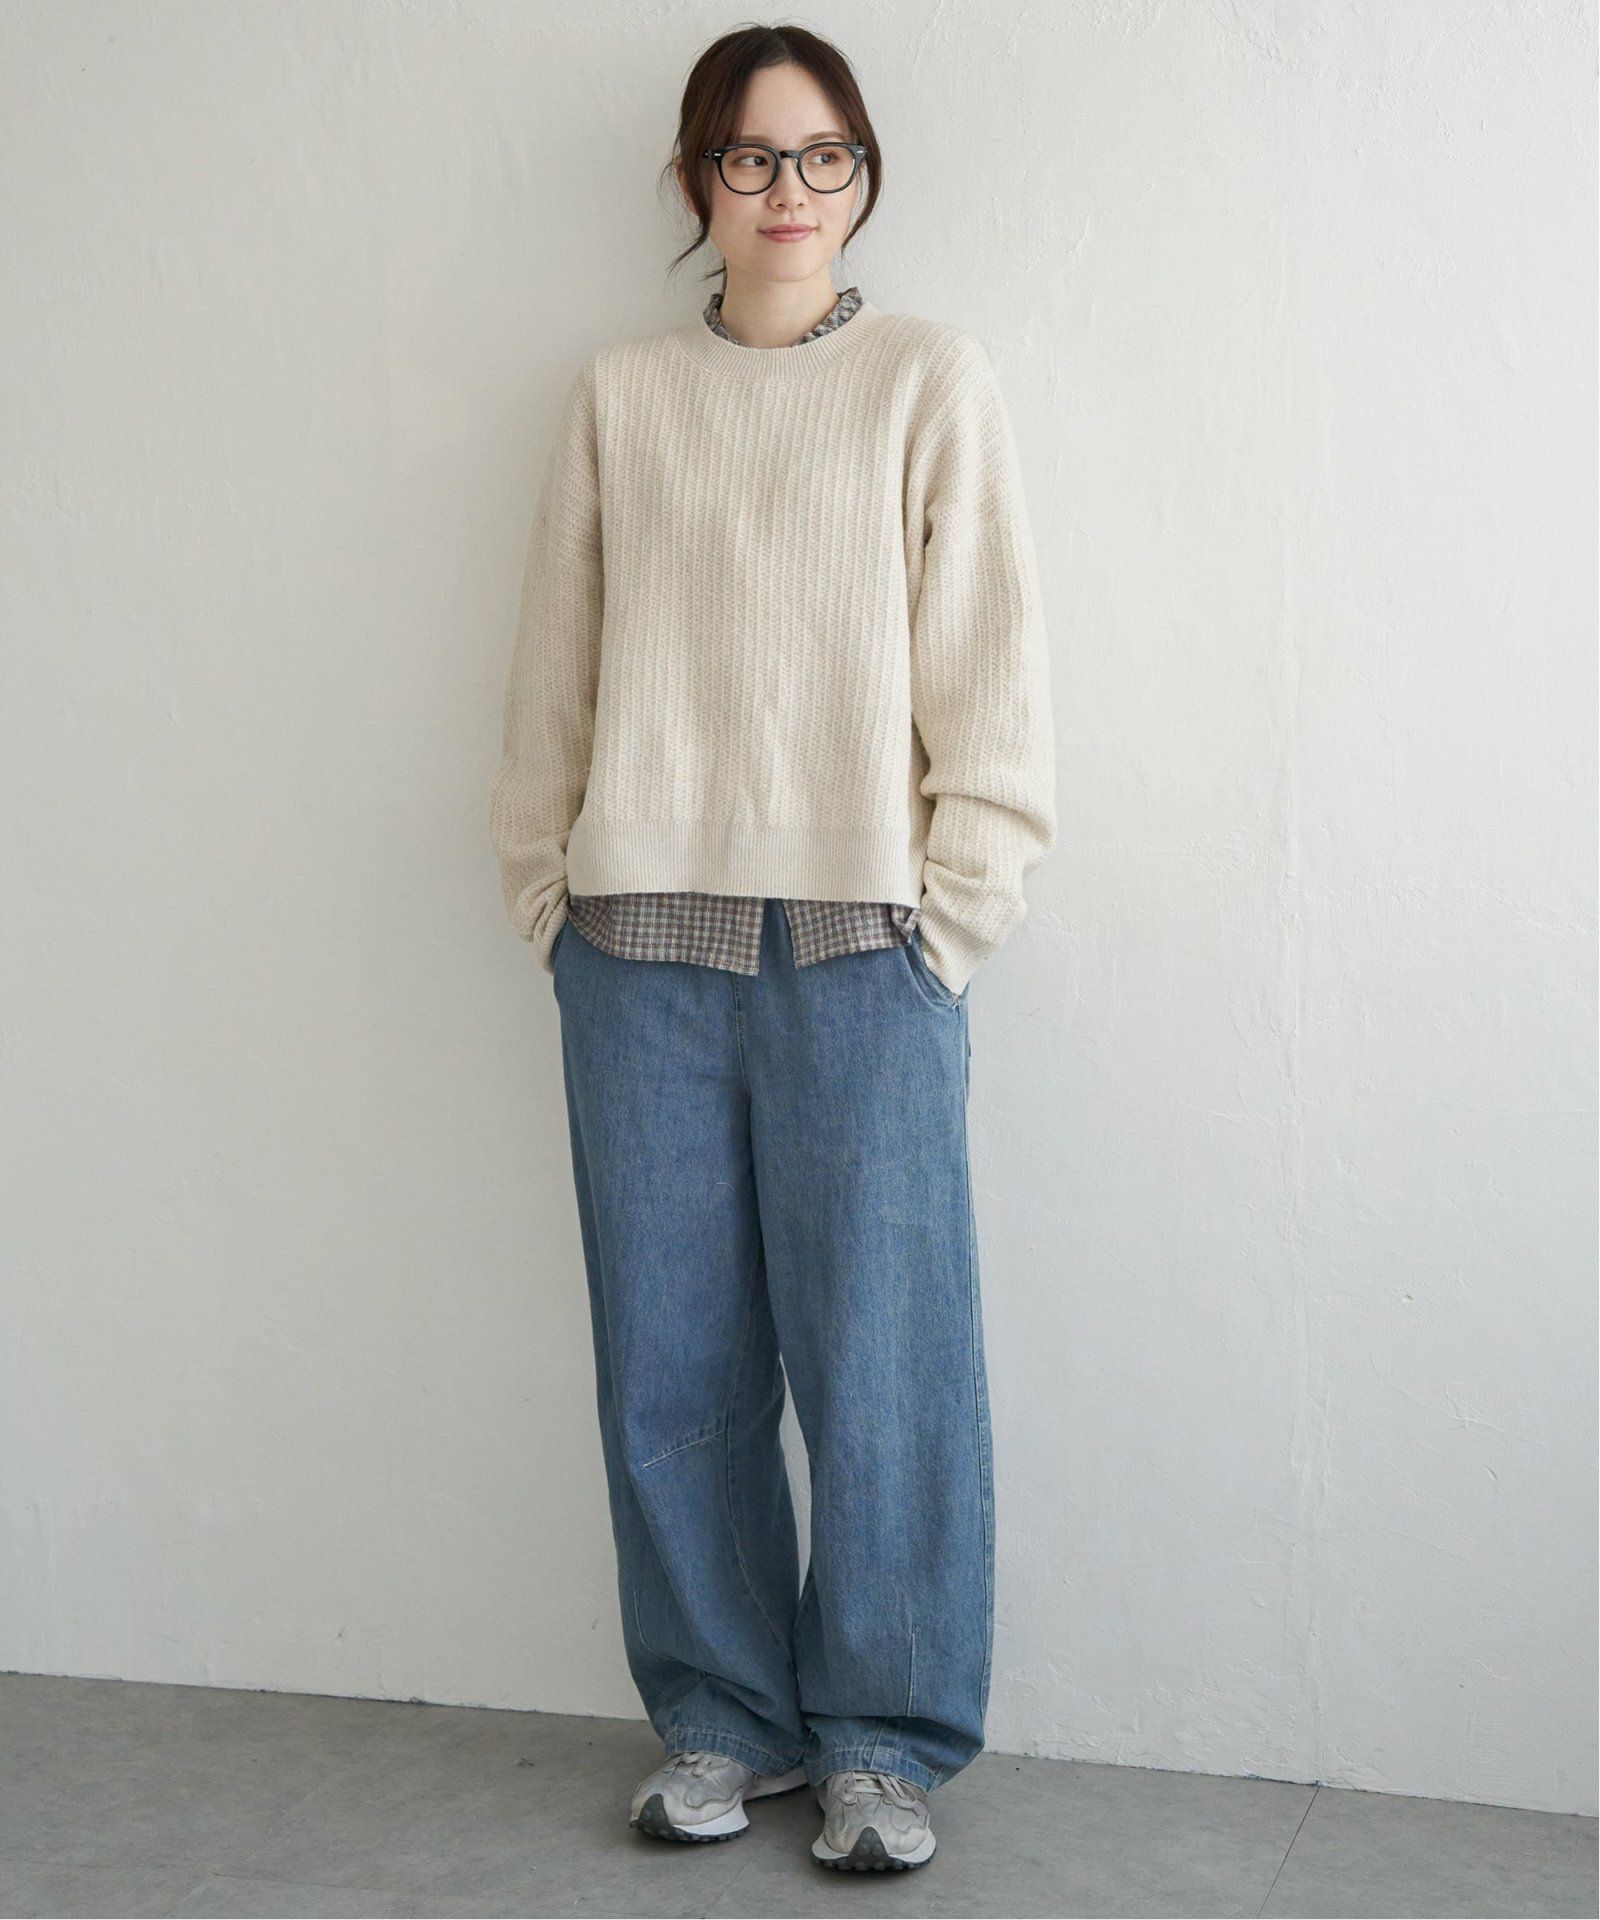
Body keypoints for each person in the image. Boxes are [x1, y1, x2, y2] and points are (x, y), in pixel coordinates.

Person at [490, 21, 1057, 1874]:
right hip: (638, 945)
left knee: (885, 1360)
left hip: (864, 946)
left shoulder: (925, 380)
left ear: (864, 174)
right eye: (749, 157)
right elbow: (555, 663)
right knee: (674, 1363)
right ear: (696, 182)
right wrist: (547, 890)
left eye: (823, 156)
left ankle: (883, 1739)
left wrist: (953, 915)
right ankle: (722, 1720)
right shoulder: (622, 395)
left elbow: (990, 669)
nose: (788, 190)